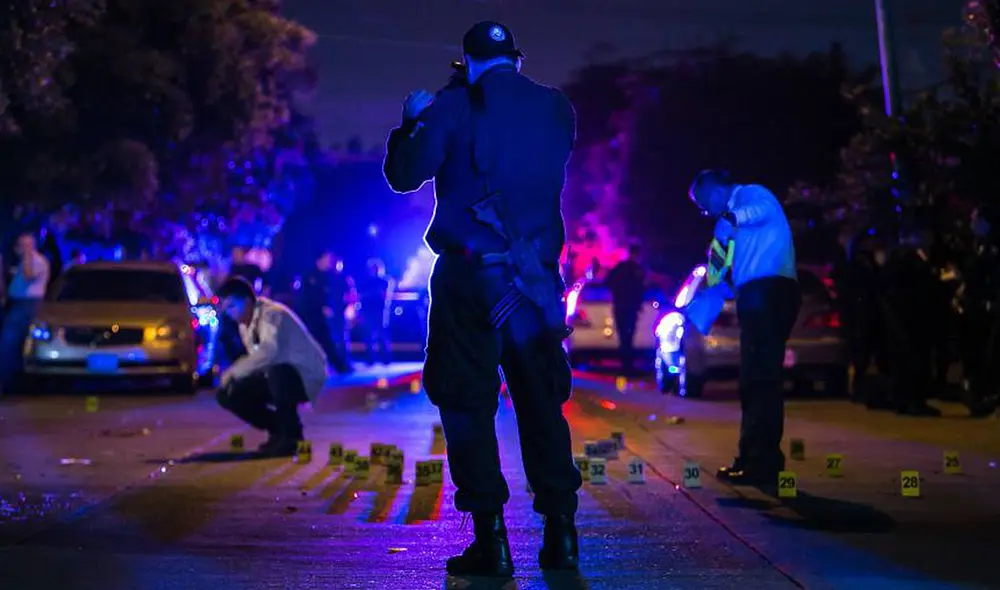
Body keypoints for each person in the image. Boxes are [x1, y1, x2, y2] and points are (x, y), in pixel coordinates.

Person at [383, 21, 581, 577]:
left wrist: (412, 122)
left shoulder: (451, 105)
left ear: (467, 61)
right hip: (535, 280)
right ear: (517, 61)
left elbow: (405, 175)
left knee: (467, 403)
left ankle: (490, 542)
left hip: (471, 278)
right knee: (543, 403)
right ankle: (561, 534)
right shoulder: (557, 108)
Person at [688, 170, 799, 486]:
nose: (705, 211)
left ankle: (762, 462)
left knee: (761, 378)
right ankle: (752, 457)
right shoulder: (728, 222)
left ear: (717, 188)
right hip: (755, 295)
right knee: (753, 379)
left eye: (704, 202)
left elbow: (759, 212)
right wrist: (710, 294)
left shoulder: (752, 194)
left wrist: (730, 218)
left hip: (771, 291)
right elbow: (719, 266)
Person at [214, 277, 328, 456]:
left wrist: (234, 371)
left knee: (278, 372)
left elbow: (269, 352)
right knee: (228, 393)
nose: (229, 313)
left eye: (232, 306)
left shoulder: (272, 314)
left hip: (303, 375)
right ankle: (278, 429)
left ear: (247, 300)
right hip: (276, 376)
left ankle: (292, 436)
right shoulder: (245, 324)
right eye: (225, 309)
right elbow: (257, 361)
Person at [956, 206, 1000, 417]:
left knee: (986, 354)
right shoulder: (975, 245)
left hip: (986, 308)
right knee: (973, 354)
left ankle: (985, 397)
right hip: (972, 308)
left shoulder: (992, 247)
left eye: (976, 219)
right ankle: (976, 396)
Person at [0, 232, 50, 392]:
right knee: (14, 343)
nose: (19, 249)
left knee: (9, 341)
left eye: (24, 245)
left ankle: (8, 381)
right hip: (18, 303)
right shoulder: (23, 261)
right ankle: (12, 379)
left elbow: (28, 276)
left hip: (28, 305)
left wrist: (27, 255)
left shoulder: (37, 261)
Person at [605, 244, 647, 374]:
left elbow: (608, 281)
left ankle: (626, 362)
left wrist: (617, 293)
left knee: (624, 334)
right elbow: (641, 288)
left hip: (623, 305)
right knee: (627, 334)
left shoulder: (622, 268)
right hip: (628, 306)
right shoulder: (635, 269)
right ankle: (626, 363)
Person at [356, 258, 394, 365]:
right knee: (368, 336)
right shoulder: (366, 282)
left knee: (382, 335)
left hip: (380, 311)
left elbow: (383, 295)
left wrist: (368, 295)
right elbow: (360, 296)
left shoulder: (385, 281)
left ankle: (385, 359)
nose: (375, 270)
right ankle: (370, 359)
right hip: (368, 310)